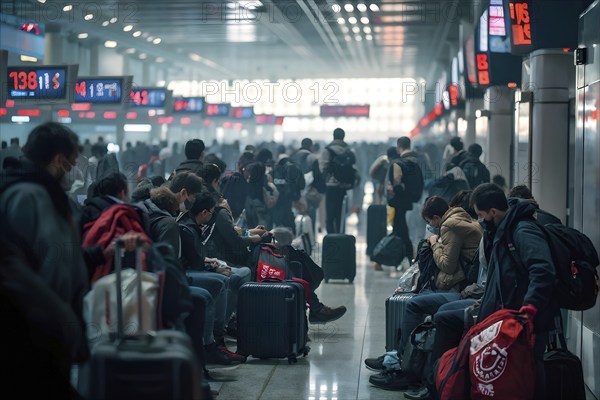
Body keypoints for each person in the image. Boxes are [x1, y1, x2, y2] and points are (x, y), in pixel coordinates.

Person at [0, 122, 89, 396]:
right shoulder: (35, 196)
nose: (72, 170)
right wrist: (66, 330)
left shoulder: (14, 187)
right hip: (38, 337)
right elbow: (56, 270)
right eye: (72, 163)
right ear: (60, 160)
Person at [367, 195, 481, 390]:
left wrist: (434, 242)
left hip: (461, 289)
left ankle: (404, 368)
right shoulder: (463, 220)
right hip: (463, 286)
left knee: (414, 303)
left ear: (436, 217)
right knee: (418, 297)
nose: (430, 226)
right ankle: (396, 357)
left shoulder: (450, 226)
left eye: (430, 222)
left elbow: (448, 264)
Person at [471, 183, 557, 399]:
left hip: (529, 316)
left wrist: (529, 307)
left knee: (531, 366)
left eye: (481, 215)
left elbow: (543, 269)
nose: (480, 221)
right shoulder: (504, 228)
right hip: (513, 314)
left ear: (492, 212)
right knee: (518, 368)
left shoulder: (522, 230)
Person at [386, 136, 424, 263]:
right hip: (416, 203)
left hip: (400, 205)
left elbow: (397, 185)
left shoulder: (398, 164)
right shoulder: (418, 162)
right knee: (410, 233)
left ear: (398, 147)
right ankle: (409, 258)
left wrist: (391, 189)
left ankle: (403, 258)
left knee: (402, 232)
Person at [320, 128, 357, 233]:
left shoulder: (327, 151)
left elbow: (322, 169)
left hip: (331, 187)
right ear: (343, 137)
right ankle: (341, 236)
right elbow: (354, 170)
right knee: (341, 215)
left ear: (333, 136)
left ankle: (331, 239)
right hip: (344, 187)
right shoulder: (349, 151)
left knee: (330, 216)